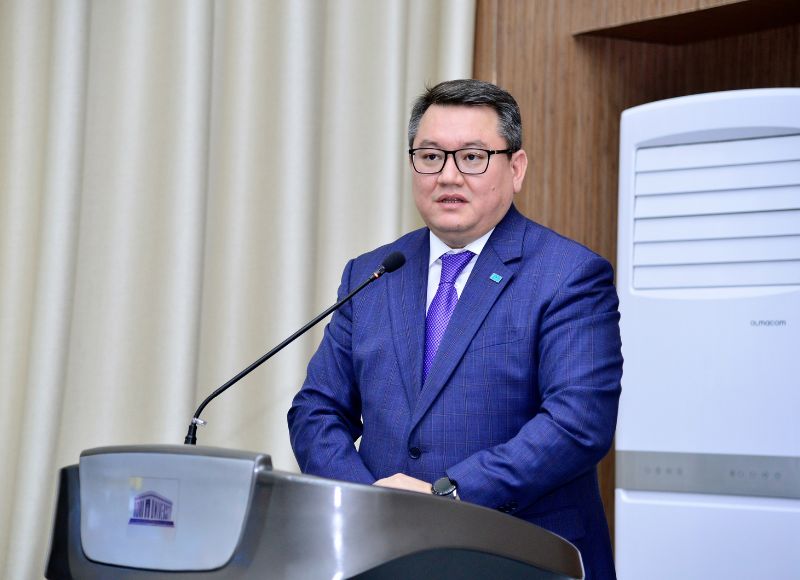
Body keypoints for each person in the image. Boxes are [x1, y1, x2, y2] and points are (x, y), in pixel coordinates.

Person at [288, 79, 622, 579]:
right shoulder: (373, 273)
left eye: (472, 157)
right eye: (430, 156)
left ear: (516, 168)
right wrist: (367, 501)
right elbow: (316, 409)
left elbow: (577, 424)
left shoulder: (568, 275)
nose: (448, 175)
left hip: (518, 557)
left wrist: (448, 496)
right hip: (384, 557)